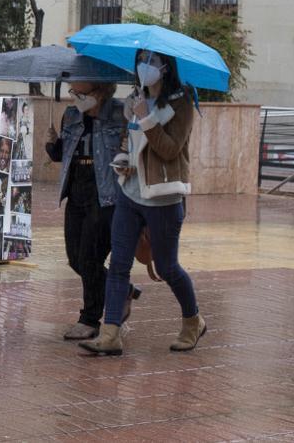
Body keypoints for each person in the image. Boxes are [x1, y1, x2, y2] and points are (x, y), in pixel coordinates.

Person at [81, 50, 204, 356]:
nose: (144, 66)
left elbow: (170, 150)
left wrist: (146, 117)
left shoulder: (182, 102)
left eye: (152, 61)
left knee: (166, 266)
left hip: (163, 198)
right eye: (141, 60)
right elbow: (132, 144)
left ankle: (193, 321)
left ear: (166, 66)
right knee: (119, 264)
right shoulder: (138, 96)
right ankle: (110, 333)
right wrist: (124, 155)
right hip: (130, 193)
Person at [44, 81, 129, 341]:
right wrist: (52, 144)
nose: (76, 97)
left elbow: (134, 150)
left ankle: (89, 319)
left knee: (90, 257)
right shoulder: (71, 115)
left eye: (81, 93)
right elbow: (62, 154)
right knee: (75, 259)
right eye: (73, 93)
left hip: (105, 194)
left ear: (101, 91)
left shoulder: (121, 113)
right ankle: (121, 290)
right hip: (76, 192)